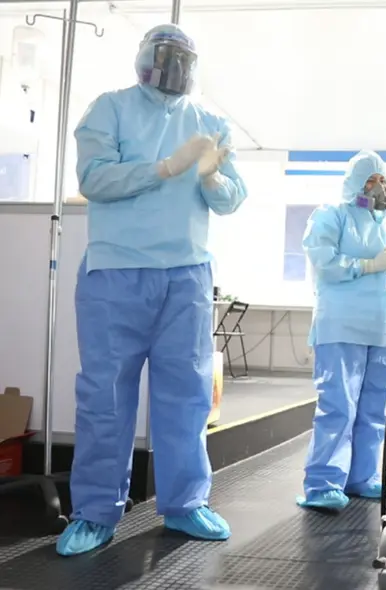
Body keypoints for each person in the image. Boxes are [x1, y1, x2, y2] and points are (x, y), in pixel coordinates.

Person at [56, 24, 248, 557]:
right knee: (104, 399)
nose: (172, 67)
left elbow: (234, 198)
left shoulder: (208, 120)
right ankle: (94, 512)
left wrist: (211, 177)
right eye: (164, 56)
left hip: (185, 274)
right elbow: (95, 179)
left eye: (183, 58)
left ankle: (186, 503)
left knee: (186, 395)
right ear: (143, 56)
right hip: (116, 271)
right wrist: (165, 168)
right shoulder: (109, 108)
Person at [297, 150, 386, 511]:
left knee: (374, 409)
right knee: (338, 406)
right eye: (370, 180)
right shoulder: (331, 215)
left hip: (380, 328)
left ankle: (362, 476)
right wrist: (371, 264)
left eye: (382, 180)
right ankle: (323, 484)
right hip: (341, 324)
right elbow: (324, 262)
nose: (379, 187)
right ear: (354, 183)